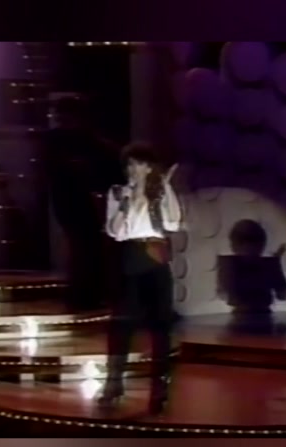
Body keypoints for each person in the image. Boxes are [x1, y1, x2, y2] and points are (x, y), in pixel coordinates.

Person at [96, 142, 182, 415]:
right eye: (130, 165)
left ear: (150, 166)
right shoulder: (117, 192)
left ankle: (160, 390)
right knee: (122, 325)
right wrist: (129, 201)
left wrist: (163, 188)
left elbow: (173, 223)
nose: (134, 169)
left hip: (156, 255)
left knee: (161, 327)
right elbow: (115, 231)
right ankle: (113, 384)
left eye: (140, 164)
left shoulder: (161, 191)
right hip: (131, 257)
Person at [40, 97, 123, 310]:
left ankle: (86, 294)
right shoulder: (60, 141)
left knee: (87, 246)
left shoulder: (70, 141)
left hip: (75, 200)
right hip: (73, 200)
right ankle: (84, 295)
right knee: (85, 246)